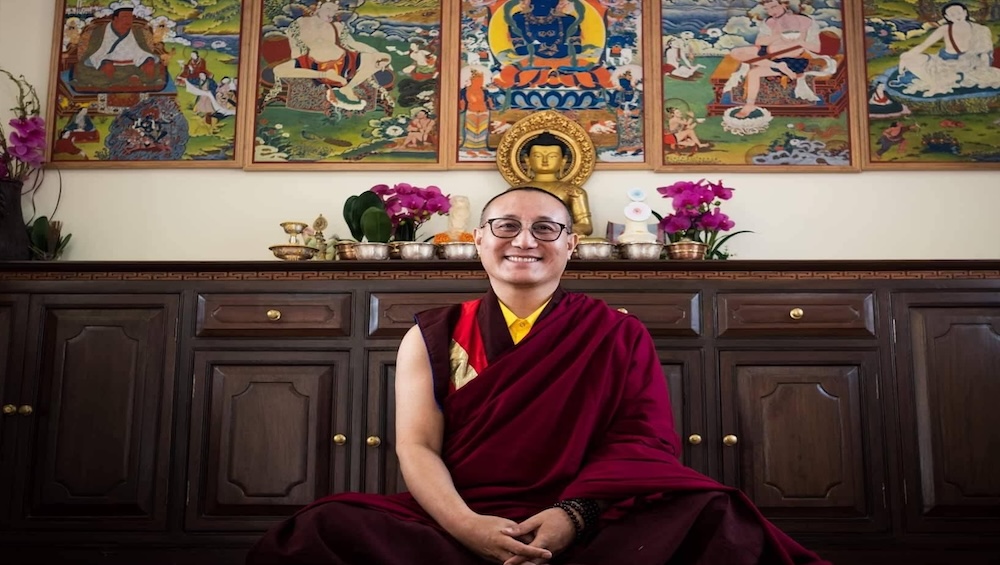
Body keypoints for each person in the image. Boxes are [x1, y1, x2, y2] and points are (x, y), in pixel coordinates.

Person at [246, 187, 832, 565]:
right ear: (479, 239)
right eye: (505, 226)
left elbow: (642, 444)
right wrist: (469, 528)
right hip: (462, 514)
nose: (524, 241)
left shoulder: (616, 332)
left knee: (718, 519)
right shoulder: (432, 334)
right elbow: (418, 447)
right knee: (319, 531)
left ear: (570, 245)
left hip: (590, 515)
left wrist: (573, 516)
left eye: (545, 229)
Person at [271, 0, 392, 111]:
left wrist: (377, 55)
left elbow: (353, 44)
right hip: (313, 63)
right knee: (278, 70)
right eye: (328, 9)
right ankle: (326, 75)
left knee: (384, 57)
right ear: (318, 7)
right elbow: (295, 47)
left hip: (345, 61)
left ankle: (348, 87)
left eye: (335, 10)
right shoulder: (300, 23)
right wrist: (299, 67)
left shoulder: (337, 26)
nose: (332, 13)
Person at [727, 0, 821, 118]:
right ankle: (777, 66)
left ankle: (749, 105)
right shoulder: (769, 22)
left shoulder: (805, 21)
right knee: (736, 52)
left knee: (753, 73)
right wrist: (778, 35)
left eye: (774, 7)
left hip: (792, 58)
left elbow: (817, 48)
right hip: (771, 53)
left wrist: (800, 42)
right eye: (767, 9)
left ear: (784, 4)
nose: (771, 12)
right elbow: (759, 42)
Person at [896, 2, 1000, 97]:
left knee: (987, 77)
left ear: (965, 12)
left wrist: (984, 69)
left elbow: (985, 52)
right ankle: (935, 85)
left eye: (959, 13)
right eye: (952, 14)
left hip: (971, 64)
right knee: (909, 58)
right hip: (944, 64)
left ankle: (952, 80)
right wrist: (906, 55)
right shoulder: (944, 29)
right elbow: (923, 45)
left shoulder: (981, 30)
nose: (957, 16)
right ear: (947, 17)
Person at [510, 133, 593, 236]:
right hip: (526, 236)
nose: (545, 160)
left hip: (559, 236)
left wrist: (558, 228)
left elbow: (586, 227)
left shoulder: (574, 192)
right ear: (528, 160)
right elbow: (508, 222)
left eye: (552, 156)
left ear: (563, 161)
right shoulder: (515, 192)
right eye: (538, 156)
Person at [74, 6, 164, 92]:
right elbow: (93, 51)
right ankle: (129, 79)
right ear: (115, 18)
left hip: (133, 63)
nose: (128, 20)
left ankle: (133, 79)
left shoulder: (137, 32)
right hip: (108, 62)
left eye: (130, 17)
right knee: (89, 70)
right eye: (125, 17)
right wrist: (103, 62)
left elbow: (142, 50)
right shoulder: (100, 31)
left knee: (153, 66)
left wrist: (148, 60)